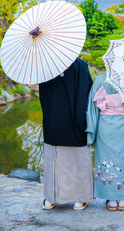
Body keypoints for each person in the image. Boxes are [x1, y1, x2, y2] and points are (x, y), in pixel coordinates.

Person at [38, 57, 94, 210]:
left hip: (52, 122)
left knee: (54, 161)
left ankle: (51, 199)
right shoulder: (79, 65)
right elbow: (86, 94)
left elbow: (42, 96)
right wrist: (82, 122)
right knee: (77, 161)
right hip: (74, 123)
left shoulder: (45, 64)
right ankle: (79, 199)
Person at [86, 74, 124, 211]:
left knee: (107, 159)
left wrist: (91, 132)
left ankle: (111, 201)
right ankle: (123, 200)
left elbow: (92, 108)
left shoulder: (100, 79)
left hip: (105, 126)